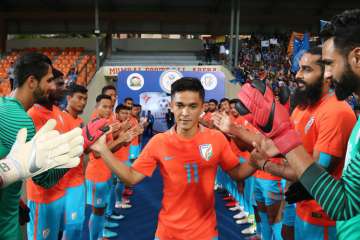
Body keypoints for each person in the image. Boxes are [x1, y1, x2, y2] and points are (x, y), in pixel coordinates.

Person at [90, 77, 256, 240]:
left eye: (192, 106)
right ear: (171, 106)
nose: (185, 113)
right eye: (180, 105)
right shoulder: (159, 142)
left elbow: (237, 173)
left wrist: (257, 160)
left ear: (201, 108)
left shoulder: (216, 138)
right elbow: (131, 177)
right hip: (167, 233)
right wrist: (103, 150)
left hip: (205, 233)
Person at [243, 9, 360, 240]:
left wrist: (282, 135)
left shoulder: (336, 110)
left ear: (357, 57)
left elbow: (343, 204)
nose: (328, 74)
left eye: (329, 63)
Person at [0, 52, 82, 240]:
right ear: (32, 82)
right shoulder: (21, 121)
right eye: (49, 80)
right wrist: (71, 156)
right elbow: (44, 179)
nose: (52, 87)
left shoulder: (3, 106)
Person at [61, 84, 89, 239]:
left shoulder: (80, 121)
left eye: (85, 99)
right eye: (79, 98)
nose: (83, 102)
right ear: (69, 98)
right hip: (59, 182)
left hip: (77, 180)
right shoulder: (59, 118)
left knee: (75, 226)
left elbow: (83, 151)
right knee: (60, 228)